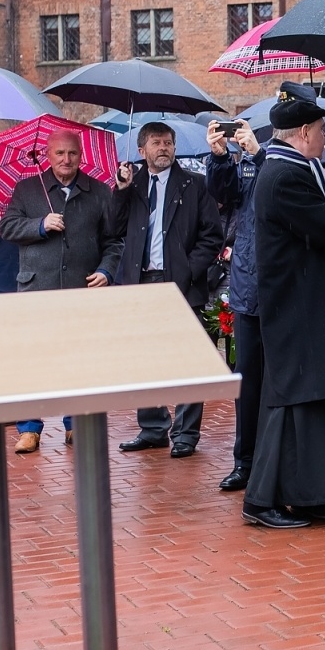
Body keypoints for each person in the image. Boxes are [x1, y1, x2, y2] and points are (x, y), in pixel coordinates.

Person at [243, 83, 325, 528]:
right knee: (291, 400)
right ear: (303, 133)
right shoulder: (285, 175)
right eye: (320, 130)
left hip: (312, 304)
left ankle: (312, 492)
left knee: (319, 395)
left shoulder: (296, 168)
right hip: (297, 308)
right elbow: (324, 225)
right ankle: (262, 500)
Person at [0, 129, 123, 454]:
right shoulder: (27, 190)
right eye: (59, 154)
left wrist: (106, 270)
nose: (66, 160)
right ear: (47, 155)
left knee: (79, 359)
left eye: (72, 154)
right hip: (36, 289)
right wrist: (40, 225)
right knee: (31, 360)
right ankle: (29, 428)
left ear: (81, 156)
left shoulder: (98, 192)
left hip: (81, 290)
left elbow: (114, 241)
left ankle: (75, 423)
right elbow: (6, 226)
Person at [110, 120, 225, 457]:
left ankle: (186, 433)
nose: (164, 148)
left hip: (180, 283)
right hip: (140, 283)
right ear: (142, 150)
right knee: (144, 359)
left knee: (189, 359)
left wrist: (188, 270)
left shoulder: (195, 185)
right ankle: (152, 428)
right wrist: (120, 190)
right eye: (156, 143)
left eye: (168, 143)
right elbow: (113, 227)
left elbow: (212, 235)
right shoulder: (132, 183)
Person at [204, 116, 263, 491]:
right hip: (245, 286)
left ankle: (269, 462)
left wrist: (257, 155)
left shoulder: (269, 162)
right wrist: (221, 158)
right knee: (247, 380)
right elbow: (223, 195)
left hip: (276, 287)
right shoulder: (239, 167)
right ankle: (244, 462)